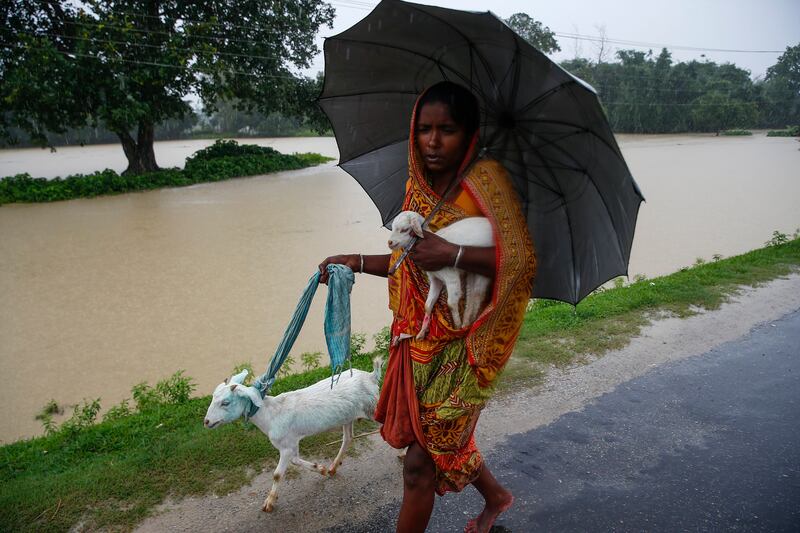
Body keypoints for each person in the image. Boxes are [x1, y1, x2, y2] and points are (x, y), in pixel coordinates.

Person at [318, 81, 535, 533]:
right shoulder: (416, 187)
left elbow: (521, 262)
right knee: (440, 443)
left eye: (447, 130)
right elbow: (406, 261)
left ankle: (493, 497)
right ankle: (496, 497)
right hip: (417, 343)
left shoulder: (488, 184)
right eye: (424, 129)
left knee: (419, 464)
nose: (433, 142)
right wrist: (353, 261)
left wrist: (452, 254)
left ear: (469, 133)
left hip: (468, 349)